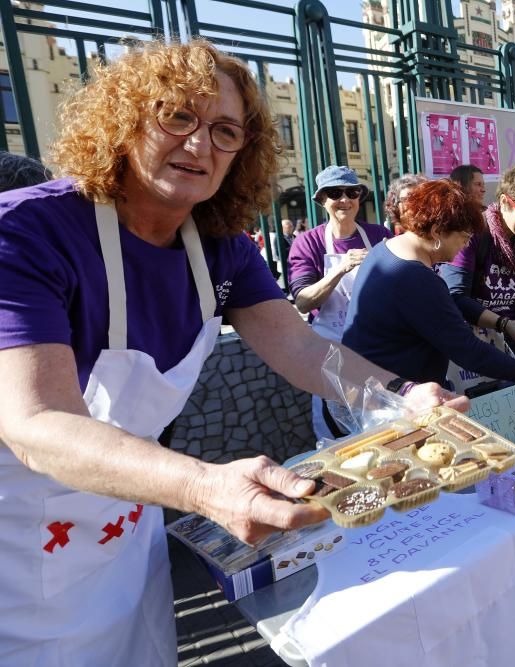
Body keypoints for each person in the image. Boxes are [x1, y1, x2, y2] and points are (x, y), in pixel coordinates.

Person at [0, 40, 461, 665]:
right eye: (177, 116)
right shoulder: (26, 232)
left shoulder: (221, 247)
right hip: (20, 535)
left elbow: (301, 346)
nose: (199, 146)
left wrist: (400, 395)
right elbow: (36, 424)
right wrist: (203, 485)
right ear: (125, 117)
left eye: (224, 130)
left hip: (129, 519)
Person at [343, 179, 515, 398]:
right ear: (438, 232)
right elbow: (466, 349)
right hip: (388, 398)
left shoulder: (385, 250)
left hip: (371, 387)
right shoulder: (416, 278)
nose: (467, 245)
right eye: (464, 237)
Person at [287, 165, 393, 441]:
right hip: (330, 354)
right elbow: (302, 302)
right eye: (335, 193)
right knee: (338, 435)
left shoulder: (380, 235)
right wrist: (340, 268)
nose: (345, 199)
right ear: (322, 200)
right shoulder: (307, 243)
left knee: (386, 427)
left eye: (352, 192)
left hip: (377, 347)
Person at [440, 165, 515, 364]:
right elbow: (456, 297)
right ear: (505, 202)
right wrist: (503, 324)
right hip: (473, 343)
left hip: (513, 340)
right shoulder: (473, 234)